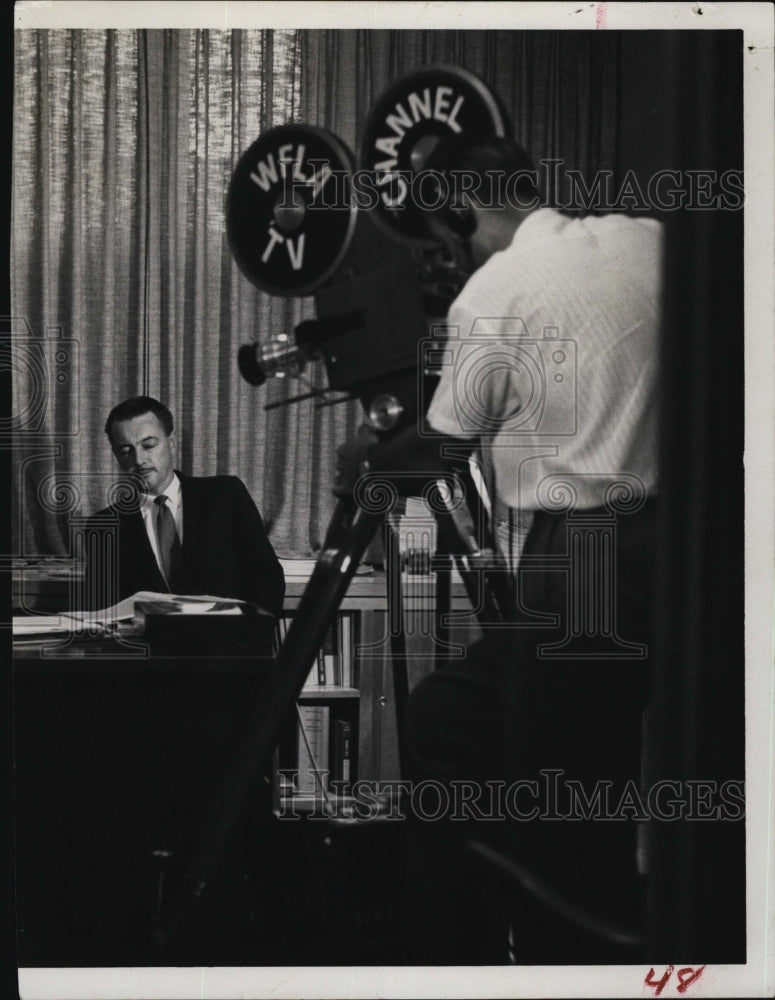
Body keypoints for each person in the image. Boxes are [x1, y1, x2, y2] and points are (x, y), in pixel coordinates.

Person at [359, 136, 663, 963]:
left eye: (440, 240)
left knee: (558, 804)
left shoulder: (495, 288)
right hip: (684, 554)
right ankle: (464, 950)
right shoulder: (646, 237)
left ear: (459, 213)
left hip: (585, 558)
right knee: (452, 718)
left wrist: (367, 457)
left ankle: (541, 963)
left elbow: (441, 449)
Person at [79, 395, 285, 616]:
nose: (139, 460)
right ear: (116, 456)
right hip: (152, 648)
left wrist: (249, 637)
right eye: (126, 451)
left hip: (230, 646)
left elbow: (268, 580)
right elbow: (101, 610)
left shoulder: (226, 495)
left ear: (172, 443)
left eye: (148, 445)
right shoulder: (104, 526)